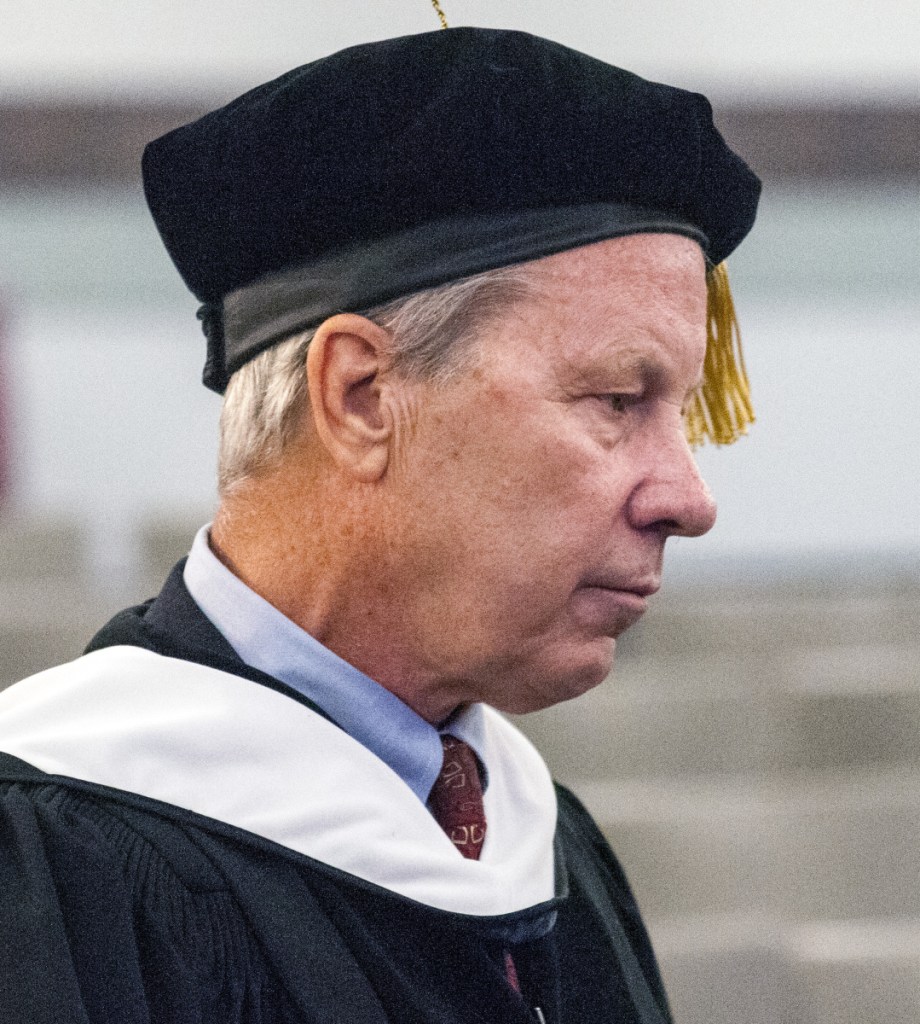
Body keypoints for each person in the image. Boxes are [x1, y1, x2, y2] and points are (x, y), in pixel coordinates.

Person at [0, 27, 759, 1024]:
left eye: (679, 409)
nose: (688, 497)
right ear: (360, 396)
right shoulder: (55, 860)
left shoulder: (534, 847)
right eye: (619, 397)